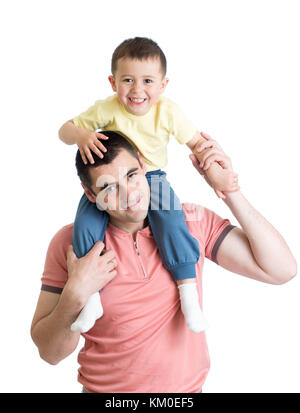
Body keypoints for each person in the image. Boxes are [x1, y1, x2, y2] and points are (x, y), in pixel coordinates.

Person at [31, 132, 296, 393]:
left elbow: (281, 270)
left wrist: (230, 190)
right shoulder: (70, 245)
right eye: (109, 188)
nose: (129, 195)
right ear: (90, 195)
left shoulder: (191, 222)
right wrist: (75, 294)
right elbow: (50, 354)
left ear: (144, 166)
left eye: (132, 175)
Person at [58, 37, 238, 334]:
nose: (137, 90)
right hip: (107, 185)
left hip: (150, 178)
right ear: (113, 82)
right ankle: (93, 298)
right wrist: (80, 136)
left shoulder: (167, 112)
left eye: (148, 81)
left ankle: (187, 292)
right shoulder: (107, 108)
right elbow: (63, 130)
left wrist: (218, 176)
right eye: (127, 80)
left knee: (172, 221)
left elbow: (197, 144)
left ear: (163, 85)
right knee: (85, 224)